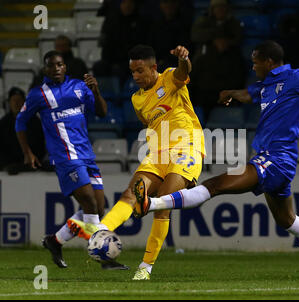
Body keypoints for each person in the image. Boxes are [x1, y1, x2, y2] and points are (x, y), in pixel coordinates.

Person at [133, 41, 299, 279]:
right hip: (274, 162)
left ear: (269, 62)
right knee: (287, 220)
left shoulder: (296, 77)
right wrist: (231, 94)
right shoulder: (266, 84)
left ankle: (152, 204)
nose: (252, 66)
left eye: (256, 61)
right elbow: (250, 94)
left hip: (275, 159)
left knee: (214, 185)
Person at [67, 45, 205, 280]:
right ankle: (100, 233)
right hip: (158, 153)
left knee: (163, 203)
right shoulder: (137, 99)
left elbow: (184, 72)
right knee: (129, 195)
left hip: (187, 148)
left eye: (140, 71)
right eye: (132, 72)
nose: (136, 77)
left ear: (154, 68)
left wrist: (185, 59)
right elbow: (149, 125)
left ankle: (146, 267)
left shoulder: (170, 77)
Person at [15, 51, 125, 270]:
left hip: (87, 155)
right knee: (90, 203)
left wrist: (95, 89)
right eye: (51, 65)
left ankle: (54, 241)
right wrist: (27, 152)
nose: (56, 68)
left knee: (97, 210)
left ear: (65, 67)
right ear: (45, 70)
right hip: (64, 158)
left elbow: (102, 112)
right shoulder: (38, 95)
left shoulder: (79, 86)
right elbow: (20, 122)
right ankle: (105, 259)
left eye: (60, 64)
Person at [93, 0, 149, 84]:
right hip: (112, 59)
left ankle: (120, 95)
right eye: (124, 3)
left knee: (119, 70)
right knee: (99, 67)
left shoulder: (141, 22)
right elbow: (106, 45)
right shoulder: (111, 21)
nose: (127, 6)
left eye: (130, 3)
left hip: (131, 60)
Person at [0, 87, 45, 174]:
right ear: (9, 103)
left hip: (33, 166)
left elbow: (40, 145)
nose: (16, 103)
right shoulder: (3, 123)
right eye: (13, 100)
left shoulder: (34, 122)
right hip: (8, 166)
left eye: (19, 100)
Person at [147, 0, 192, 72]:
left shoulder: (184, 25)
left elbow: (184, 51)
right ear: (161, 5)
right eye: (165, 2)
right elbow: (151, 47)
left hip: (175, 65)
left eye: (172, 2)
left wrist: (164, 61)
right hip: (156, 63)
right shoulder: (156, 25)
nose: (169, 5)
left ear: (177, 4)